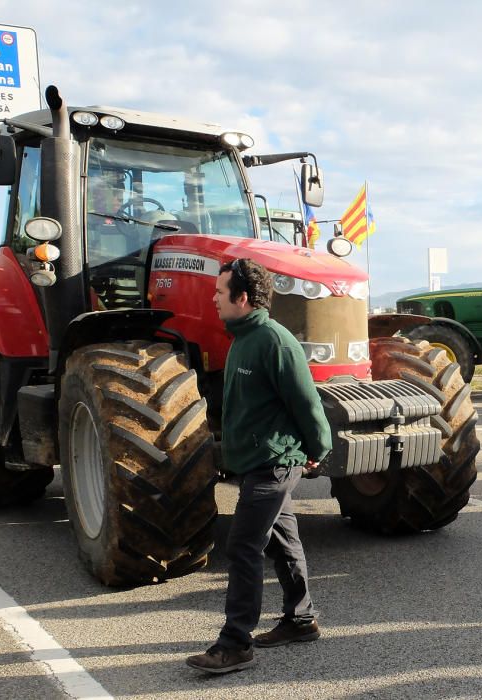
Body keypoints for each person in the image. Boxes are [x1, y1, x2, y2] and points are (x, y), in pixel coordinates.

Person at [187, 258, 333, 674]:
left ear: (243, 298)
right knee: (282, 541)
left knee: (243, 546)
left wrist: (318, 448)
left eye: (219, 292)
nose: (214, 299)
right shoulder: (242, 338)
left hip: (275, 462)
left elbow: (307, 403)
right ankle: (300, 621)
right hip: (256, 460)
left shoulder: (273, 341)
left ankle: (235, 644)